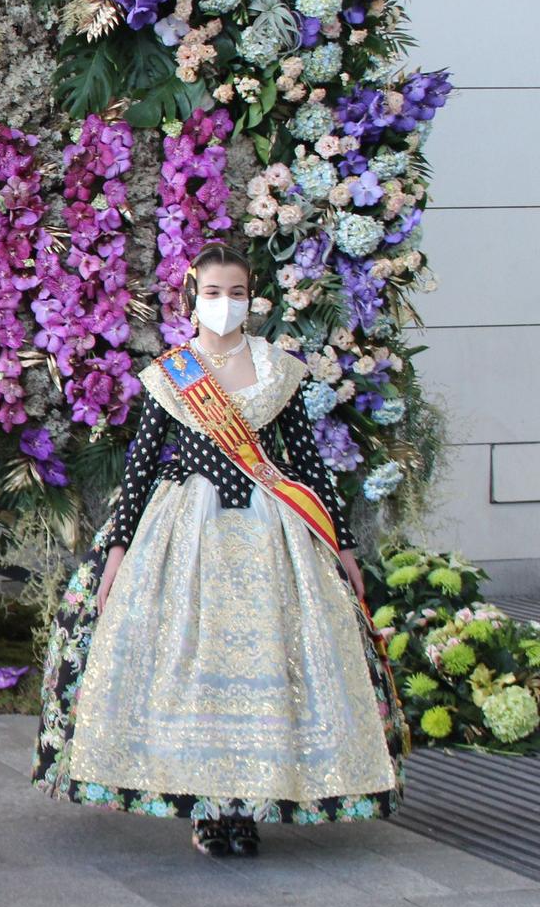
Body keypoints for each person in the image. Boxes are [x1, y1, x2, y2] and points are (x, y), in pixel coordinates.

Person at [31, 243, 406, 856]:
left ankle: (251, 803)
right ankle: (207, 807)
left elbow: (308, 465)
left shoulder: (279, 372)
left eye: (236, 293)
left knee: (272, 662)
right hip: (186, 531)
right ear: (190, 298)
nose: (225, 304)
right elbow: (141, 468)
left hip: (272, 532)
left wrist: (343, 547)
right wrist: (120, 547)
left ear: (252, 298)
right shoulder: (173, 375)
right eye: (213, 293)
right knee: (193, 665)